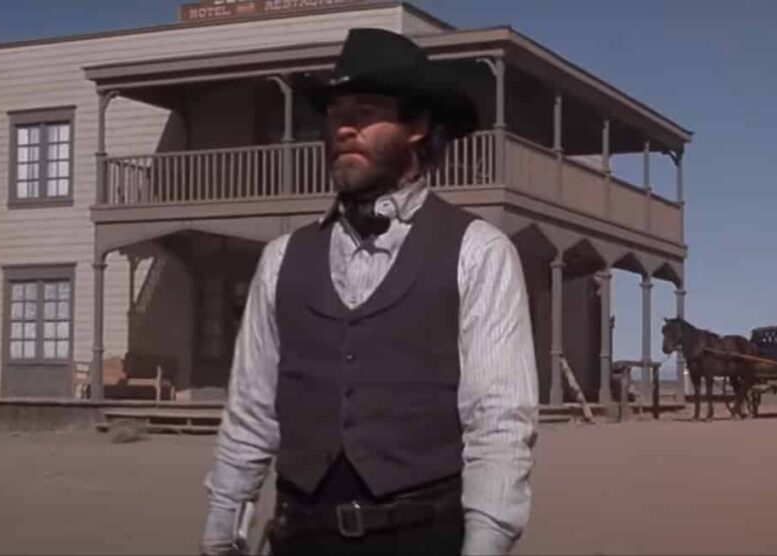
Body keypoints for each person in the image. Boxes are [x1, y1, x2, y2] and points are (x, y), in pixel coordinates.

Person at [201, 28, 539, 556]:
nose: (344, 128)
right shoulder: (282, 259)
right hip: (301, 536)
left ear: (417, 127)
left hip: (423, 537)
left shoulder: (478, 251)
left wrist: (487, 543)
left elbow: (499, 420)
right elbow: (251, 410)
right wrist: (222, 530)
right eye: (336, 114)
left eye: (365, 112)